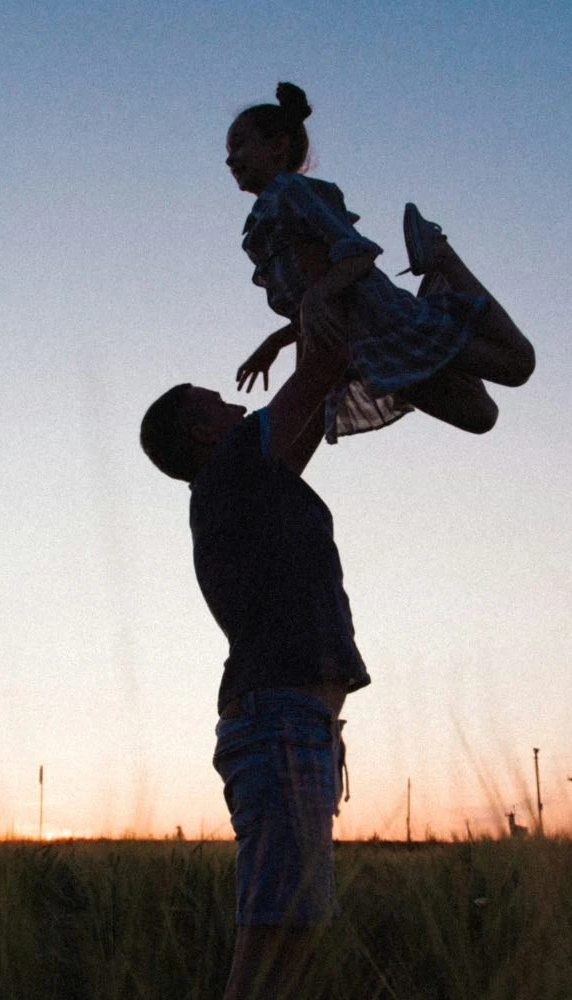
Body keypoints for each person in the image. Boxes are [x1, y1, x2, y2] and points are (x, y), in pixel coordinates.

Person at [141, 332, 364, 999]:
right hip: (281, 727)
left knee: (290, 941)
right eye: (219, 402)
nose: (237, 406)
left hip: (294, 726)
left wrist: (294, 331)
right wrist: (295, 326)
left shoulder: (250, 481)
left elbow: (318, 385)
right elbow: (323, 366)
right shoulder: (234, 464)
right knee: (273, 948)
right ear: (202, 431)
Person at [229, 81, 536, 440]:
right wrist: (276, 341)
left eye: (240, 144)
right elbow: (316, 308)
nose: (230, 159)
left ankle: (440, 254)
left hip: (387, 321)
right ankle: (439, 314)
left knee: (518, 364)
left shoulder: (292, 192)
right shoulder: (261, 226)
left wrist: (315, 299)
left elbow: (358, 252)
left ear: (277, 145)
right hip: (365, 349)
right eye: (229, 150)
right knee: (481, 417)